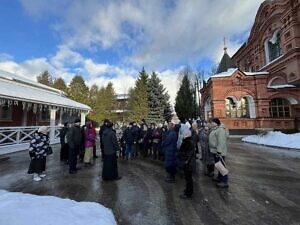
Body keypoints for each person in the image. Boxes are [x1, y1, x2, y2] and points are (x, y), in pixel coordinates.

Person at [209, 118, 229, 188]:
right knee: (218, 165)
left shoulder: (220, 130)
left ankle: (224, 181)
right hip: (216, 151)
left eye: (211, 122)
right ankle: (219, 178)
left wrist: (219, 151)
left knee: (221, 166)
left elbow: (221, 141)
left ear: (215, 123)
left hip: (219, 151)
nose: (210, 124)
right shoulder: (216, 129)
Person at [177, 128, 196, 199]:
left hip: (188, 164)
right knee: (187, 178)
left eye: (184, 134)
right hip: (187, 163)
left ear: (187, 135)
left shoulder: (189, 142)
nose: (182, 135)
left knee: (189, 179)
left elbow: (189, 154)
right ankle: (188, 190)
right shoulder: (186, 141)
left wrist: (185, 160)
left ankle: (189, 193)